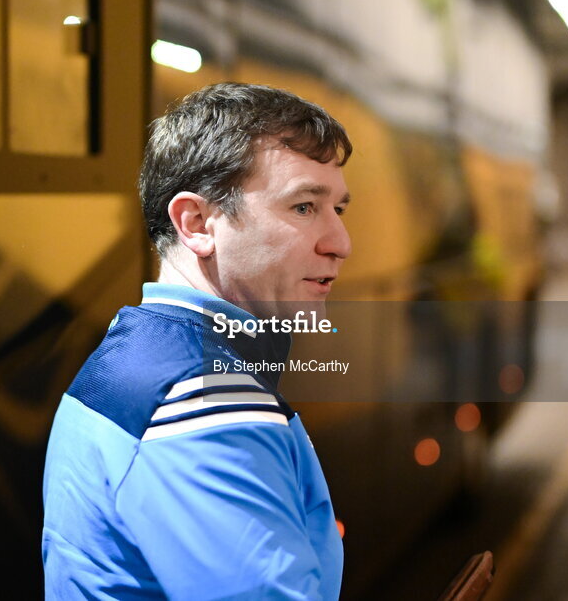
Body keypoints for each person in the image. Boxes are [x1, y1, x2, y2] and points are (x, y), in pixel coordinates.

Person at [42, 83, 353, 599]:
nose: (340, 243)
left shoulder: (136, 355)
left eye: (338, 209)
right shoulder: (201, 399)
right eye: (304, 207)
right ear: (197, 223)